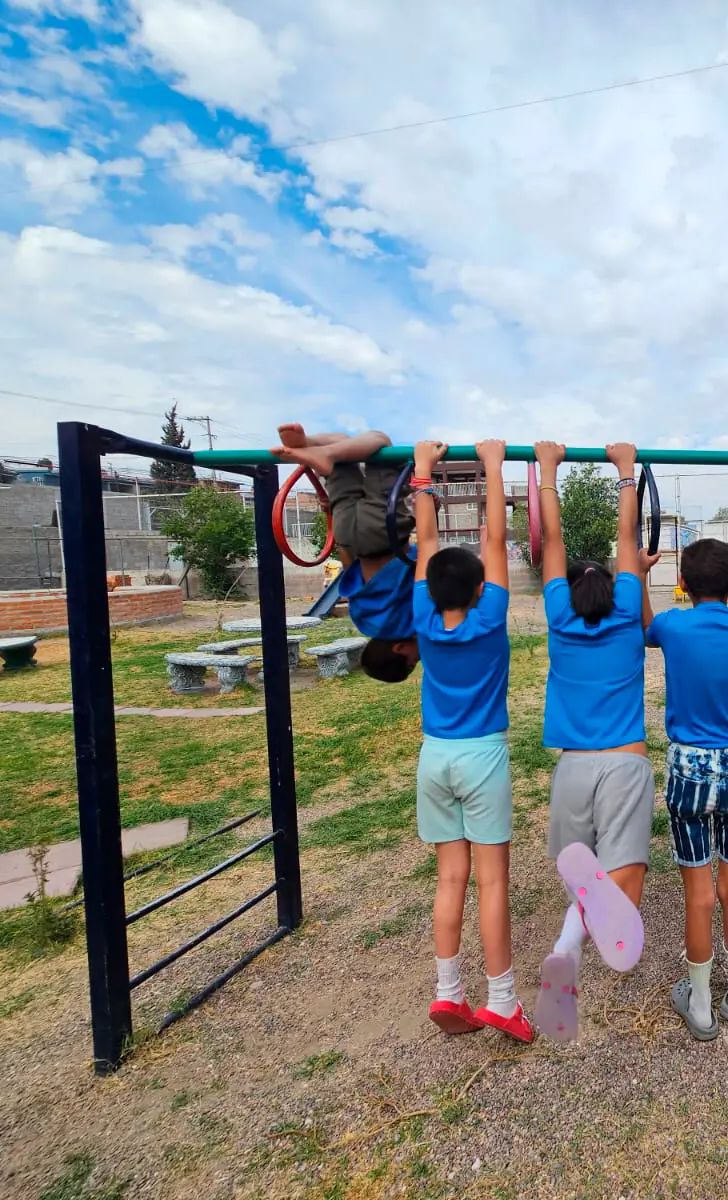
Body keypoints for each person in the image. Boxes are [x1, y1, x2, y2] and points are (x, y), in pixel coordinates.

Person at [408, 438, 532, 1042]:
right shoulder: (488, 618)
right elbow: (493, 541)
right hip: (482, 756)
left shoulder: (424, 618)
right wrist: (492, 467)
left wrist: (426, 468)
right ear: (483, 589)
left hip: (434, 757)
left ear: (430, 589)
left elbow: (428, 543)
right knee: (491, 881)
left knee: (449, 878)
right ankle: (502, 1000)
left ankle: (448, 993)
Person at [532, 440, 651, 1043]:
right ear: (611, 587)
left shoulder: (559, 618)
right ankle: (573, 939)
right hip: (626, 764)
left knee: (589, 880)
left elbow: (551, 546)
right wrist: (626, 471)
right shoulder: (629, 609)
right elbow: (626, 540)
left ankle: (567, 948)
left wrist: (547, 473)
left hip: (573, 768)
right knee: (618, 879)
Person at [645, 509, 728, 1039]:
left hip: (688, 765)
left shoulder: (672, 625)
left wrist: (636, 568)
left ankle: (700, 1004)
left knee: (698, 892)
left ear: (682, 585)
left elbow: (643, 624)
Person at [273, 425, 418, 682]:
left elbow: (422, 566)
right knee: (343, 450)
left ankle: (323, 452)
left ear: (400, 649)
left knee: (381, 441)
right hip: (348, 537)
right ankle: (307, 443)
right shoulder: (362, 620)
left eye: (414, 659)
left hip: (384, 534)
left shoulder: (410, 624)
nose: (419, 655)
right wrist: (333, 518)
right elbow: (350, 570)